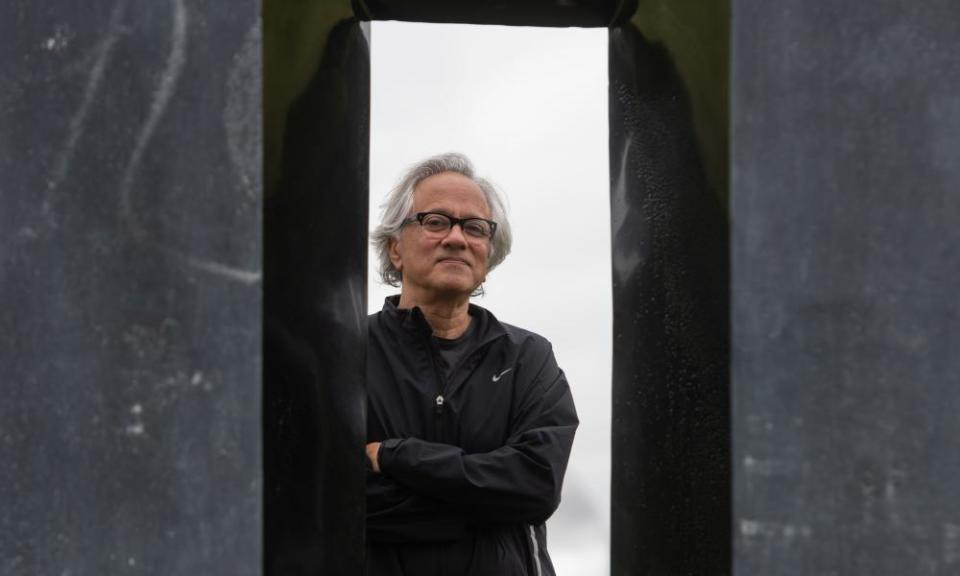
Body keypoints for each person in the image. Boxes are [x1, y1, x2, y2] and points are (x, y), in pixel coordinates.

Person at [365, 153, 579, 575]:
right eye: (435, 221)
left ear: (488, 254)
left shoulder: (528, 357)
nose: (457, 238)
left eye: (474, 227)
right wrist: (487, 505)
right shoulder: (348, 354)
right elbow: (331, 497)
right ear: (395, 248)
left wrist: (397, 457)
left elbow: (535, 486)